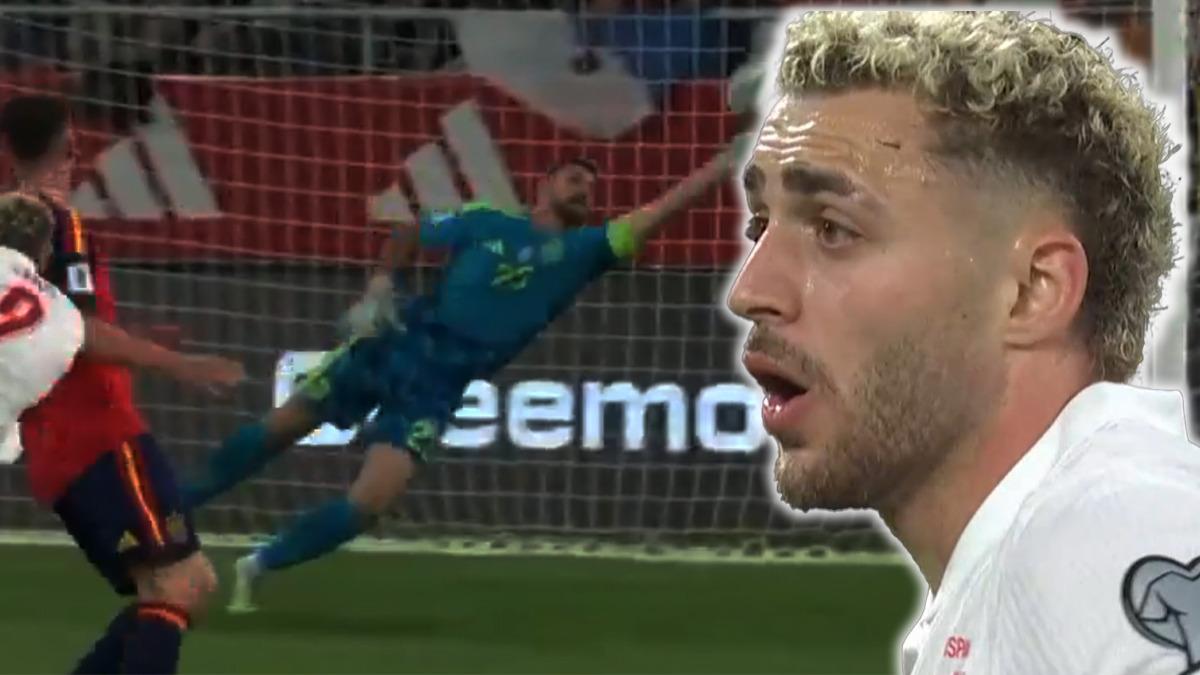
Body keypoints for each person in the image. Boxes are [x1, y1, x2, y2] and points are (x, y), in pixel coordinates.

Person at [726, 11, 1196, 675]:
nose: (750, 290)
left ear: (1033, 290)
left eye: (833, 228)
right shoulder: (1022, 567)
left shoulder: (1116, 534)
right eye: (760, 226)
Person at [183, 148, 740, 612]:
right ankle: (172, 507)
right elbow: (408, 232)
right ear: (543, 185)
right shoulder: (485, 221)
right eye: (574, 178)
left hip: (440, 385)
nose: (584, 190)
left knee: (371, 501)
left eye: (591, 187)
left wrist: (724, 163)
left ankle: (259, 564)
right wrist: (379, 285)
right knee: (280, 428)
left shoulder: (587, 250)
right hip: (396, 342)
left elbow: (665, 207)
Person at [0, 94, 246, 674]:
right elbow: (82, 332)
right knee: (177, 587)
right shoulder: (57, 224)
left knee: (178, 586)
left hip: (54, 448)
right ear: (70, 147)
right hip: (99, 433)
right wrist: (180, 364)